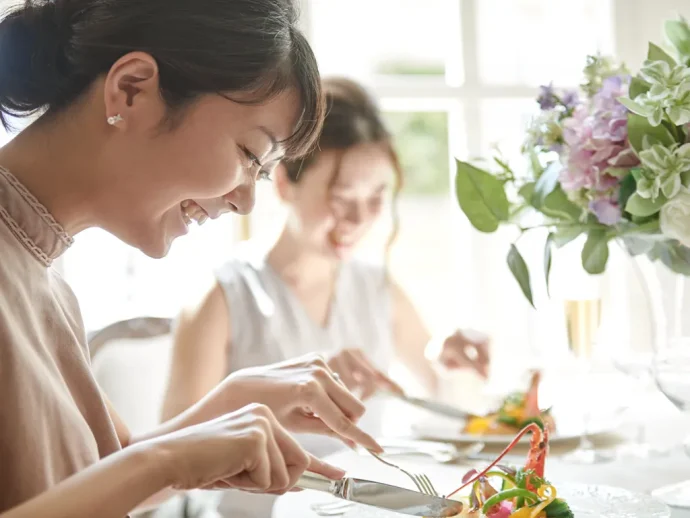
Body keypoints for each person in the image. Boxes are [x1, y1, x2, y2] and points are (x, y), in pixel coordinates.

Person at [0, 2, 386, 517]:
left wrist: (230, 405)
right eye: (251, 155)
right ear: (132, 89)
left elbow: (96, 484)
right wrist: (166, 460)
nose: (244, 200)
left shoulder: (44, 282)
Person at [162, 77, 491, 517]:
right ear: (284, 184)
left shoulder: (377, 289)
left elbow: (456, 418)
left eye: (377, 198)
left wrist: (452, 367)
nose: (359, 219)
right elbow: (168, 465)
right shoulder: (223, 297)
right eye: (341, 198)